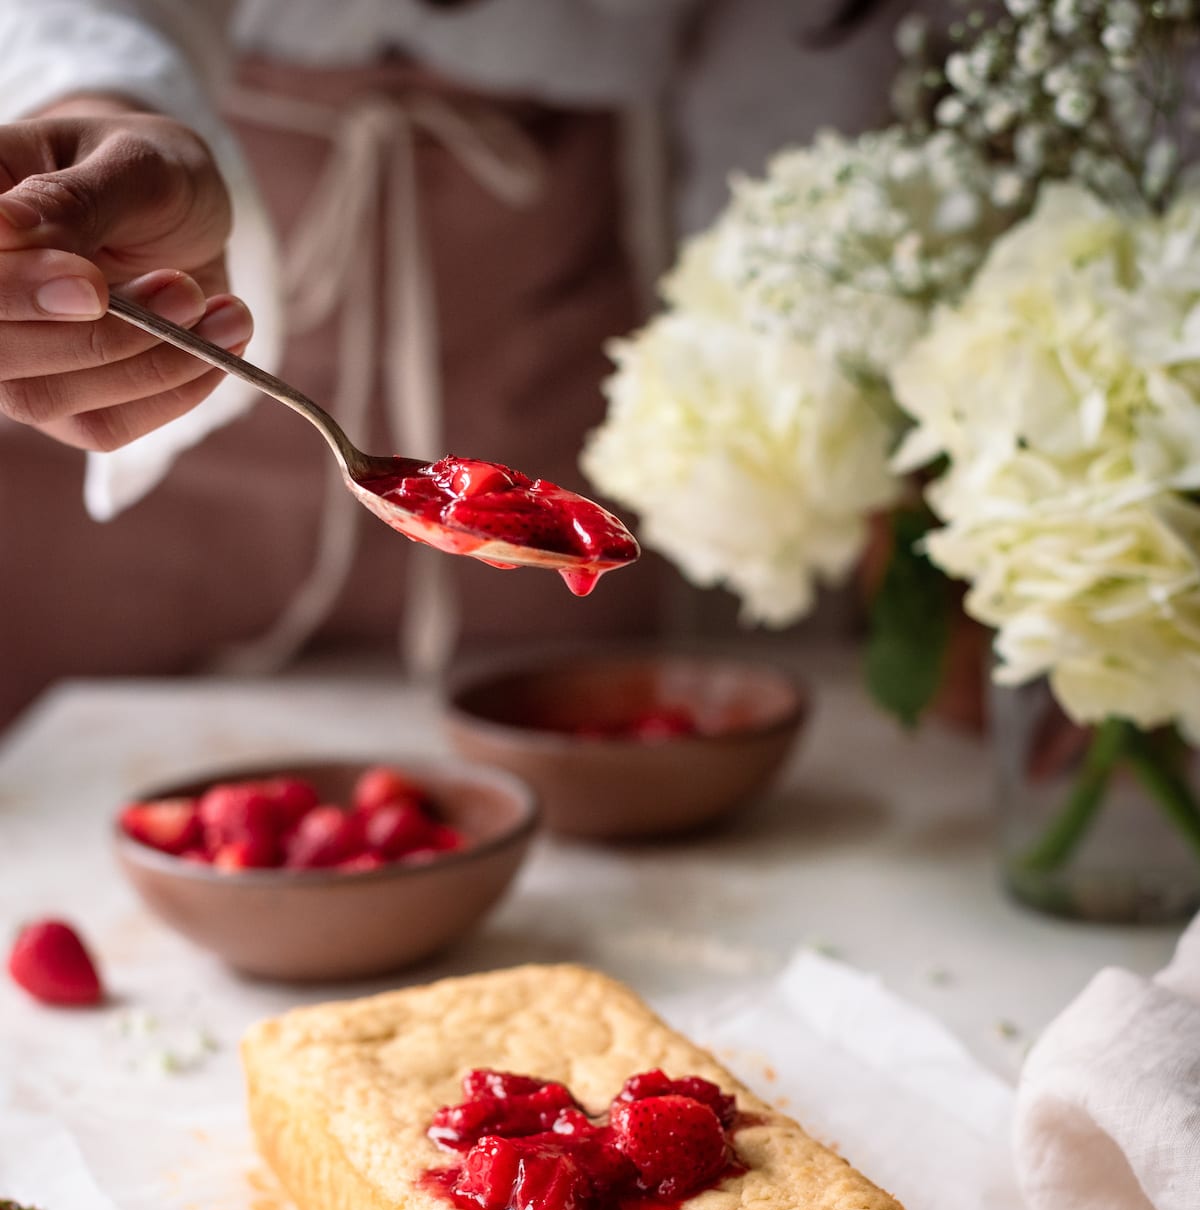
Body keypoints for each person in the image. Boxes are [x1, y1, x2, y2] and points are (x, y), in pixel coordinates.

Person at [0, 0, 915, 727]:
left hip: (551, 324)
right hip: (182, 244)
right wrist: (97, 103)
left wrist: (782, 369)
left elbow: (803, 67)